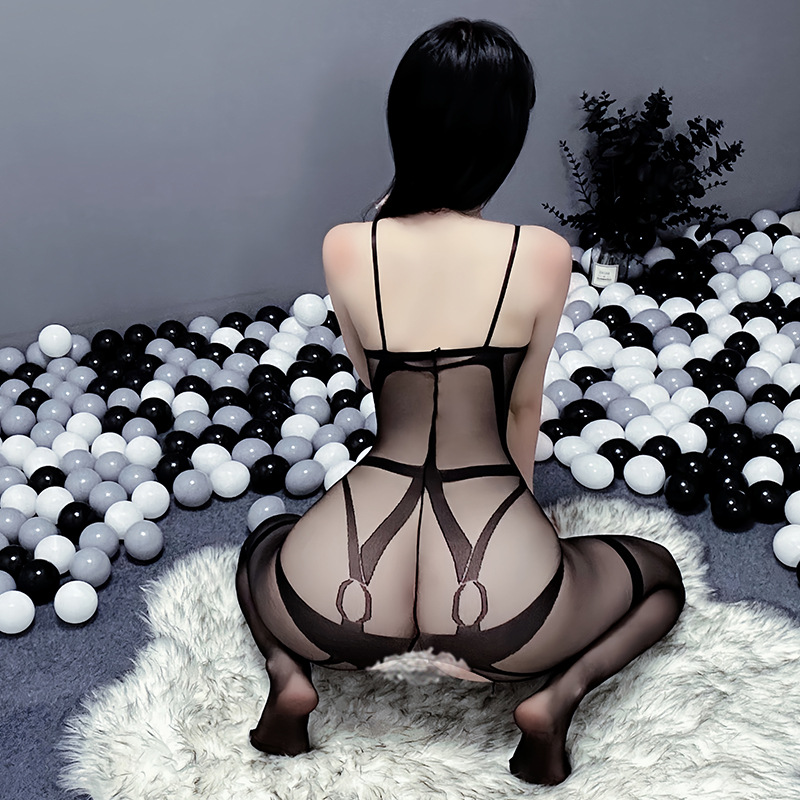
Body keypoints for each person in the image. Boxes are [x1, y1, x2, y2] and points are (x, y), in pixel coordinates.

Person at [237, 17, 686, 786]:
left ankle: (288, 677)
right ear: (505, 138)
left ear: (403, 123)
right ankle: (556, 701)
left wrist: (393, 204)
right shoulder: (541, 255)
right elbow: (521, 409)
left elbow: (374, 380)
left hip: (343, 591)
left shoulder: (346, 245)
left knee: (264, 546)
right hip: (495, 604)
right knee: (658, 575)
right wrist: (526, 524)